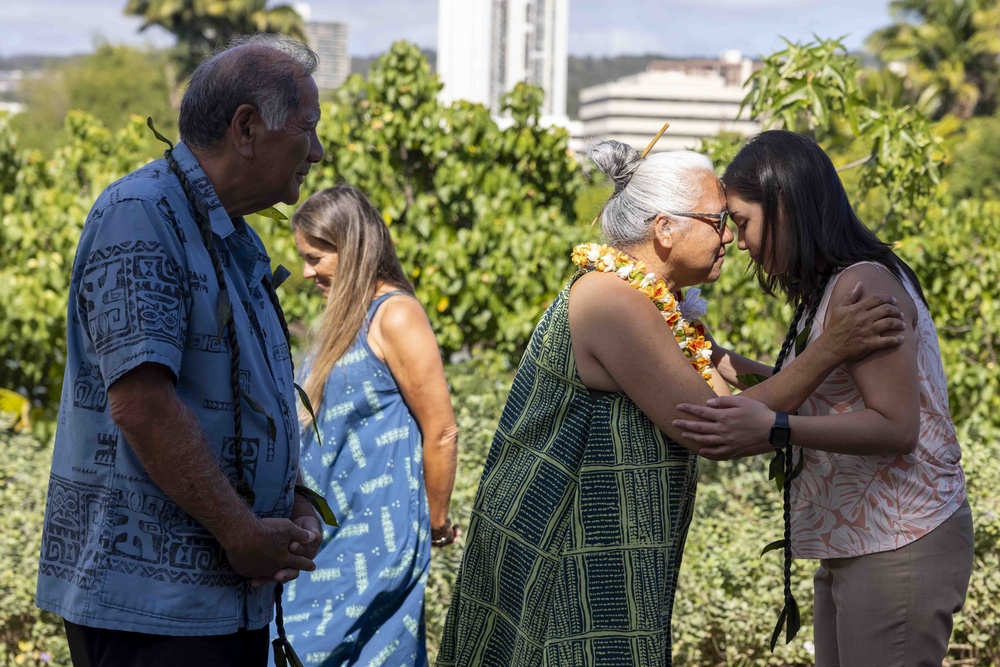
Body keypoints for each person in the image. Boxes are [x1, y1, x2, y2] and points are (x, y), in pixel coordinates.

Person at [437, 139, 907, 666]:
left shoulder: (652, 302)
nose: (730, 237)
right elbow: (712, 425)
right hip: (563, 551)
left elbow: (718, 392)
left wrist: (785, 372)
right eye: (716, 221)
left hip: (610, 553)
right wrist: (831, 350)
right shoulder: (612, 302)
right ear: (664, 228)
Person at [35, 34, 326, 667]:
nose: (319, 152)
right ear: (247, 128)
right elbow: (141, 404)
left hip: (212, 609)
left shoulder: (229, 233)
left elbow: (231, 401)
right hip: (156, 615)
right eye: (307, 129)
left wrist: (289, 503)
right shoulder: (141, 215)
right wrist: (240, 531)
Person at [673, 130, 973, 666]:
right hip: (862, 539)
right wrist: (731, 364)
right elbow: (832, 393)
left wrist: (776, 428)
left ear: (784, 205)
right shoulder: (832, 286)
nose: (739, 243)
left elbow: (895, 425)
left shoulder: (863, 286)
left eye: (742, 222)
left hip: (898, 538)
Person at [279, 185, 459, 666]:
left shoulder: (395, 314)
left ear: (351, 248)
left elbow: (440, 430)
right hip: (325, 534)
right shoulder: (345, 316)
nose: (306, 271)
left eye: (315, 257)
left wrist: (436, 522)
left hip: (372, 537)